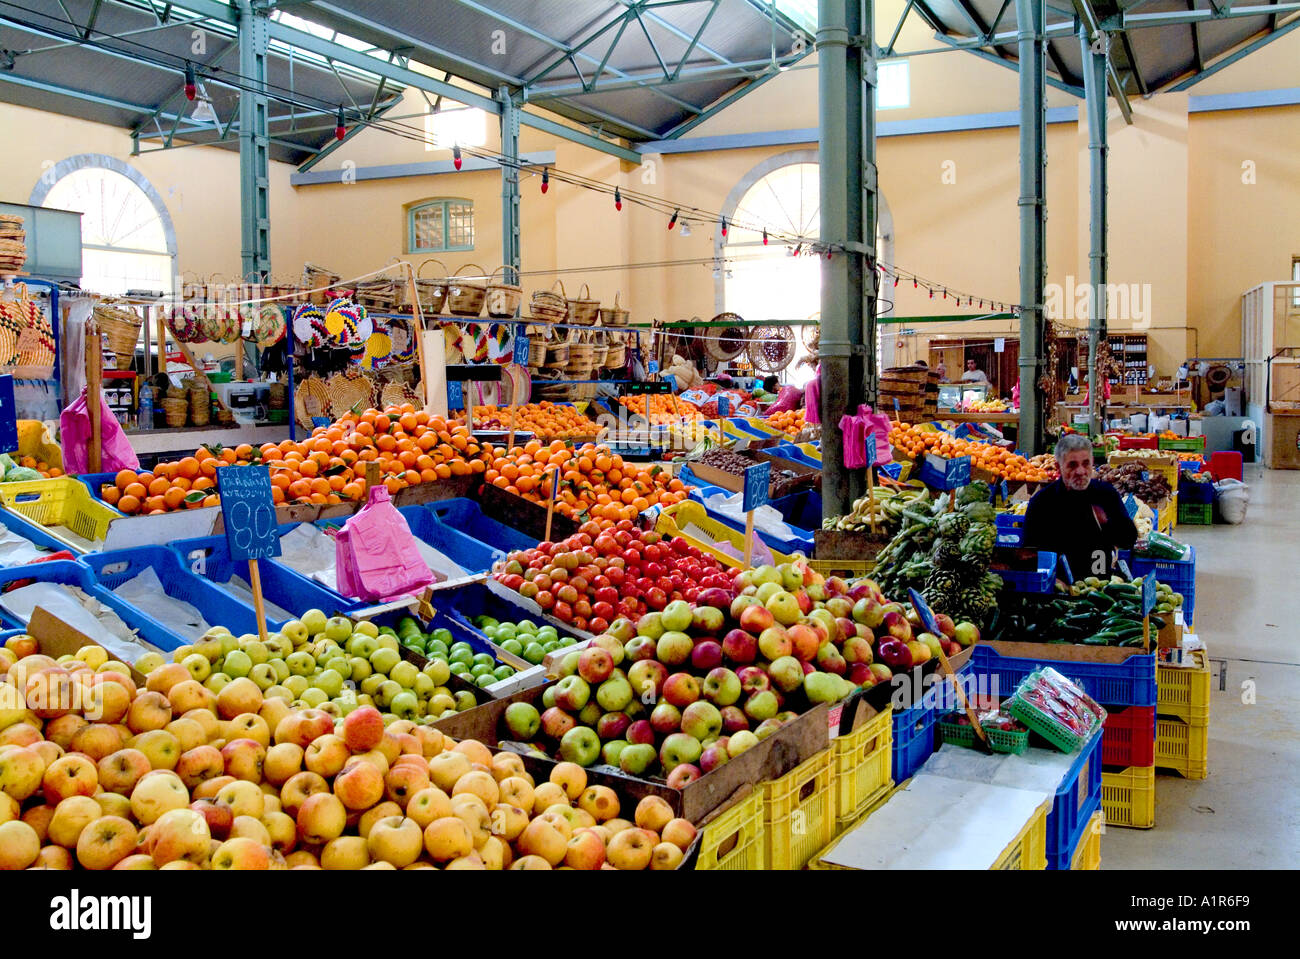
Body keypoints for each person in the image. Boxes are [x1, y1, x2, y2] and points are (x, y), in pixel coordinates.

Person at [1022, 433, 1138, 581]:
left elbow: (1128, 540)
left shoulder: (1106, 494)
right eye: (1072, 465)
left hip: (1099, 582)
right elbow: (1028, 554)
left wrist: (1107, 523)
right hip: (1057, 587)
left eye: (1086, 463)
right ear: (1058, 467)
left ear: (1092, 462)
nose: (1080, 471)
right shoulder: (1042, 502)